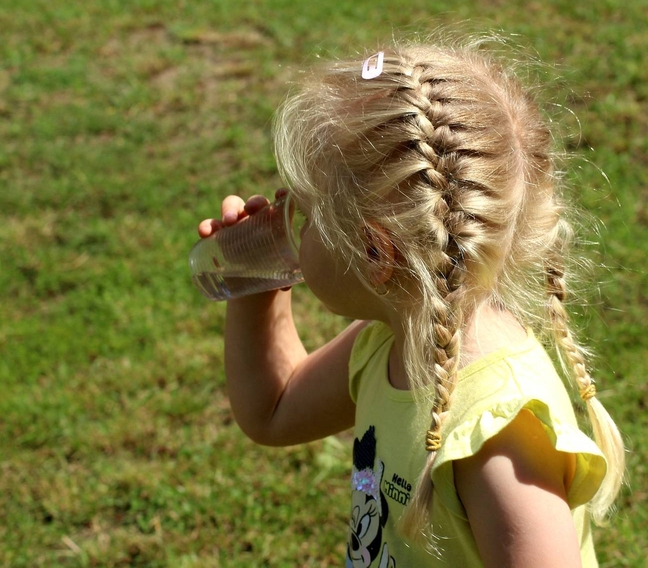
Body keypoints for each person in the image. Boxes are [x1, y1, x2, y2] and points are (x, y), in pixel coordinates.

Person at [197, 36, 625, 567]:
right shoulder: (393, 341)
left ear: (376, 253)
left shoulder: (499, 435)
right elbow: (275, 410)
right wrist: (258, 289)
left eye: (304, 217)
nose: (288, 225)